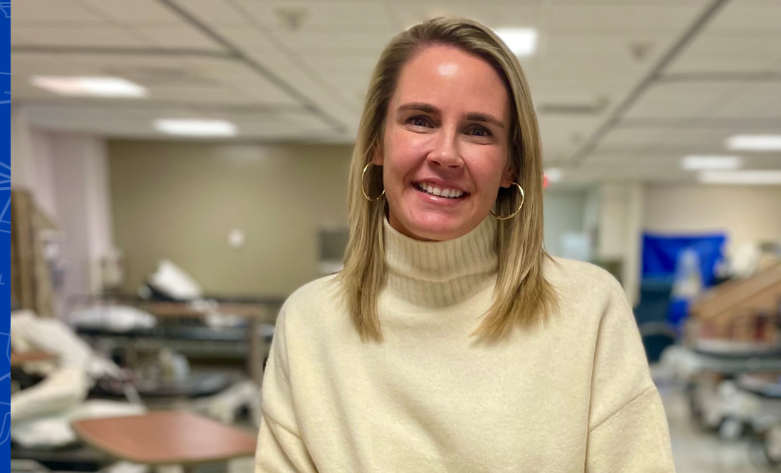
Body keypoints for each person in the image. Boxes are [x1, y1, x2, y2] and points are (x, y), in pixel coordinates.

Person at [256, 17, 675, 472]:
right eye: (420, 120)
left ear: (511, 166)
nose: (446, 154)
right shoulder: (308, 325)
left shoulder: (589, 310)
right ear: (377, 143)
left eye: (478, 130)